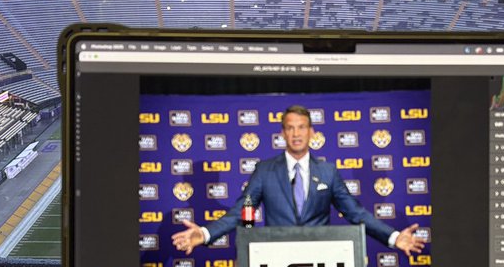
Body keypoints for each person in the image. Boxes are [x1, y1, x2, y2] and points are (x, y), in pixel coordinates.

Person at [172, 106, 424, 257]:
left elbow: (355, 213)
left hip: (321, 260)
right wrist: (204, 234)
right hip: (276, 259)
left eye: (302, 127)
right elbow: (243, 213)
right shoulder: (265, 171)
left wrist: (392, 237)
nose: (296, 134)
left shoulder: (327, 172)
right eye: (290, 128)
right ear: (283, 133)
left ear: (311, 132)